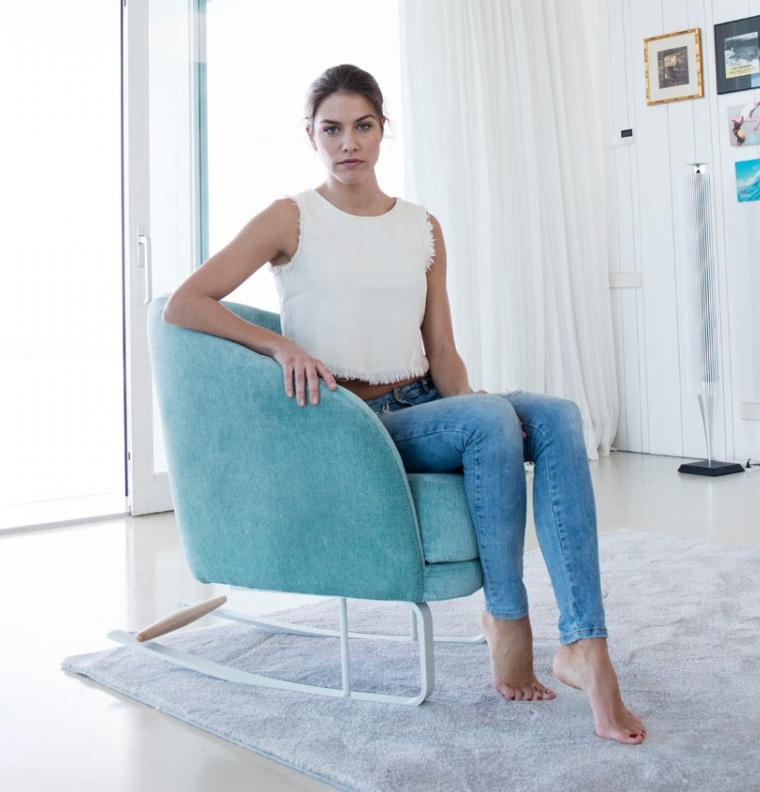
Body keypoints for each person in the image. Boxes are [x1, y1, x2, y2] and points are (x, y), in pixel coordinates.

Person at [163, 64, 645, 745]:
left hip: (422, 402)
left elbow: (441, 348)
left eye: (363, 126)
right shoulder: (290, 218)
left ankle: (585, 645)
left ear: (383, 130)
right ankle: (508, 620)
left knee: (557, 416)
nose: (348, 142)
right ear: (310, 136)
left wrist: (478, 409)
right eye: (331, 129)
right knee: (488, 418)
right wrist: (280, 347)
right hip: (351, 423)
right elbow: (186, 304)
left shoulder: (422, 227)